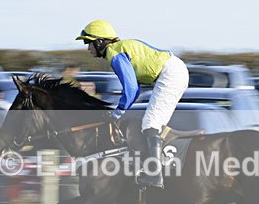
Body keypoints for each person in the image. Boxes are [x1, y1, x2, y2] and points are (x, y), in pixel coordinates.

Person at [75, 20, 189, 188]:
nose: (87, 48)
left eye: (88, 42)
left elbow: (131, 88)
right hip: (174, 70)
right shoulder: (118, 49)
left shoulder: (114, 53)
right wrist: (120, 109)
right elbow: (134, 91)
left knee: (151, 124)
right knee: (153, 124)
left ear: (99, 41)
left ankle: (155, 175)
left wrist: (118, 112)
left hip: (171, 73)